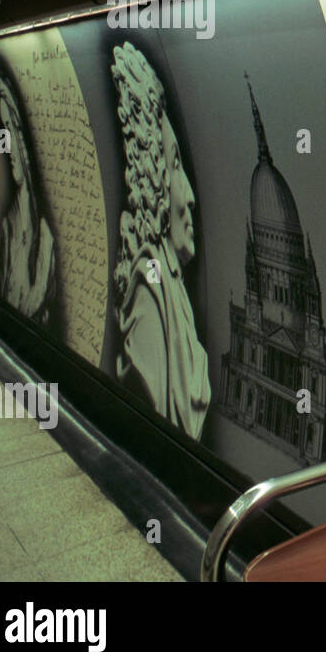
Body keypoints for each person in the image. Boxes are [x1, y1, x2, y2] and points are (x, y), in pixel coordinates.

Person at [110, 42, 210, 439]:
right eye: (174, 166)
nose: (190, 196)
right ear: (155, 181)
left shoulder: (170, 288)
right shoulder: (149, 290)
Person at [0, 69, 58, 329]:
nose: (7, 144)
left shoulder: (46, 237)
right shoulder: (7, 226)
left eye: (12, 129)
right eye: (2, 132)